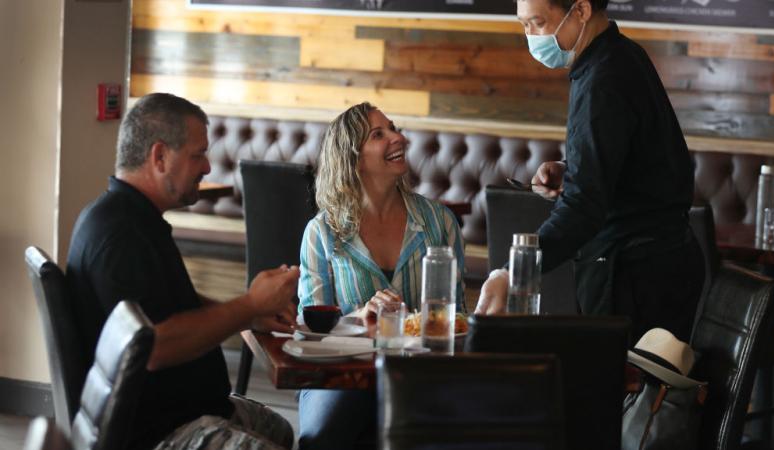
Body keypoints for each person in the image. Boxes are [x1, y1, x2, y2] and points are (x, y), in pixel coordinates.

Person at [66, 93, 299, 450]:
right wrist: (250, 304)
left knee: (280, 429)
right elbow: (156, 346)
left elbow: (171, 304)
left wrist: (251, 315)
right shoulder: (119, 235)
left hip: (183, 412)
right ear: (159, 156)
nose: (207, 167)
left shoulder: (131, 217)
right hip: (156, 433)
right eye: (198, 154)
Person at [476, 0, 704, 344]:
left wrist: (513, 272)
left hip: (635, 273)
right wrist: (573, 172)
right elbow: (632, 160)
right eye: (523, 25)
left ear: (580, 10)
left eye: (537, 22)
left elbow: (583, 207)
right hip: (660, 263)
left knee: (614, 378)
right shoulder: (622, 54)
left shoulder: (604, 78)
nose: (530, 36)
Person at [297, 102, 466, 449]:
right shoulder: (322, 232)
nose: (397, 137)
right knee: (323, 436)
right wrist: (358, 319)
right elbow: (310, 334)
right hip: (343, 374)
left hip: (419, 376)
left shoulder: (440, 222)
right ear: (353, 159)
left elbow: (458, 316)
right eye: (378, 134)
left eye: (394, 128)